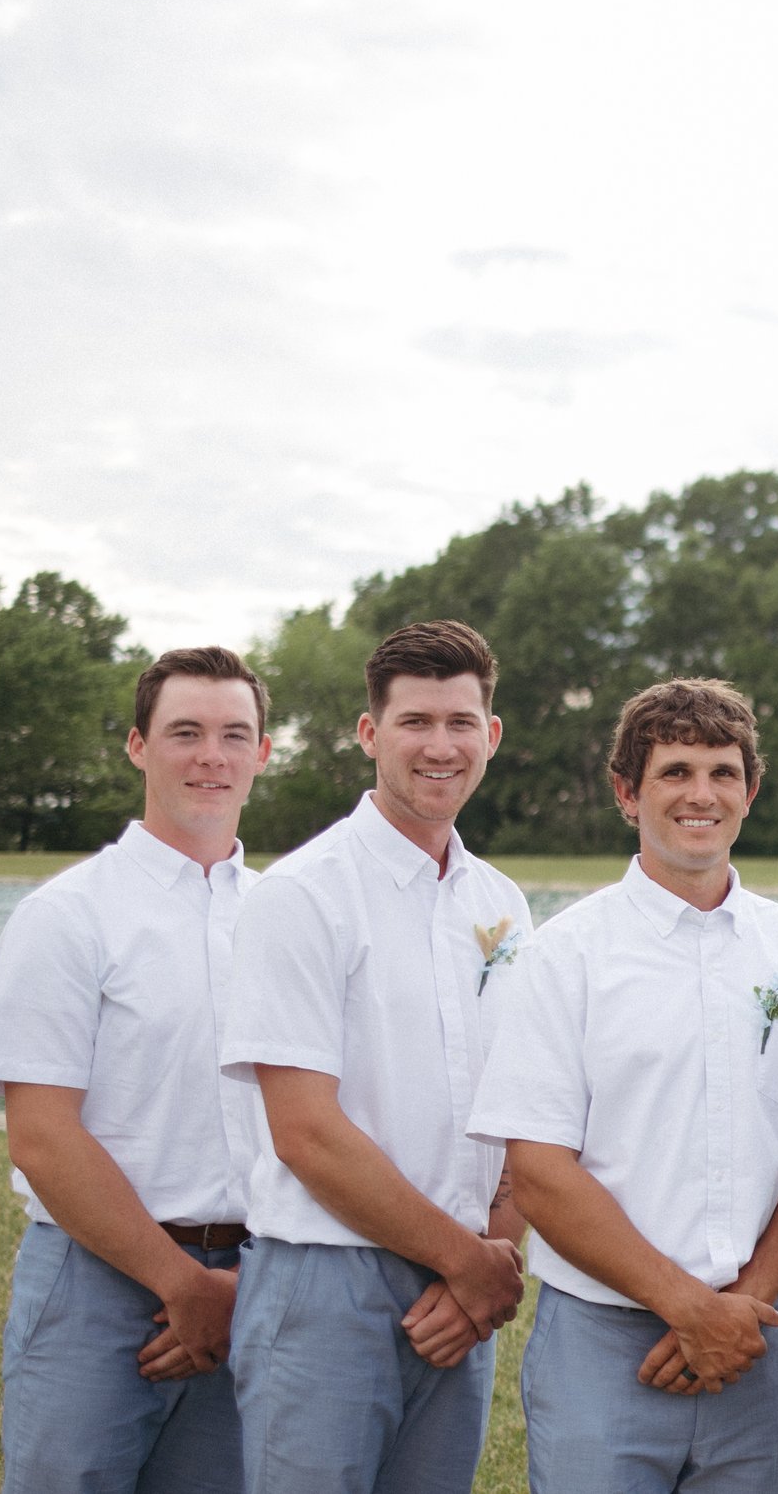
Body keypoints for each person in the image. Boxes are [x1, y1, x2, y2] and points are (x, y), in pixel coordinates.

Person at [470, 679, 778, 1494]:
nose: (701, 793)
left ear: (750, 789)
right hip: (604, 1340)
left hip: (757, 1338)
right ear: (627, 792)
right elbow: (540, 1170)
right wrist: (687, 1306)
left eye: (722, 771)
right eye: (674, 771)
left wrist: (742, 1306)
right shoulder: (566, 954)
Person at [220, 619, 533, 1493]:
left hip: (460, 1287)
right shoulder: (302, 895)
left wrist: (491, 1261)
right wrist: (468, 1262)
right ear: (369, 734)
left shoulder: (503, 904)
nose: (441, 745)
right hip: (324, 1283)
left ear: (491, 735)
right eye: (415, 722)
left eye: (461, 722)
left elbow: (522, 1109)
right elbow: (306, 1132)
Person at [0, 646, 272, 1494]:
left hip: (253, 1284)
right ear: (139, 746)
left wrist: (239, 1285)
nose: (210, 755)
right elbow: (41, 1136)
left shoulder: (284, 918)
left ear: (263, 752)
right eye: (184, 732)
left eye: (232, 734)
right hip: (96, 1287)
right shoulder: (67, 916)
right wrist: (181, 1283)